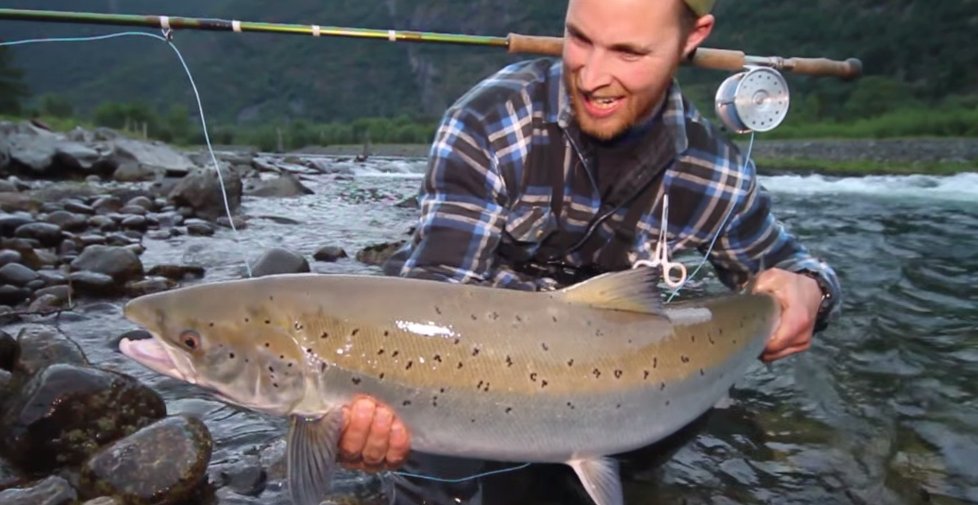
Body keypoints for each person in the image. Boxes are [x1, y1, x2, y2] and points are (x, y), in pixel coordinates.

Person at [336, 0, 842, 502]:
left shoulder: (716, 175)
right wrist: (375, 406)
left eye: (628, 52)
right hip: (474, 386)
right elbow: (435, 296)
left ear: (694, 37)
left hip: (630, 401)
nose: (593, 75)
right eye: (580, 39)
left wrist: (810, 292)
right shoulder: (490, 122)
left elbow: (797, 268)